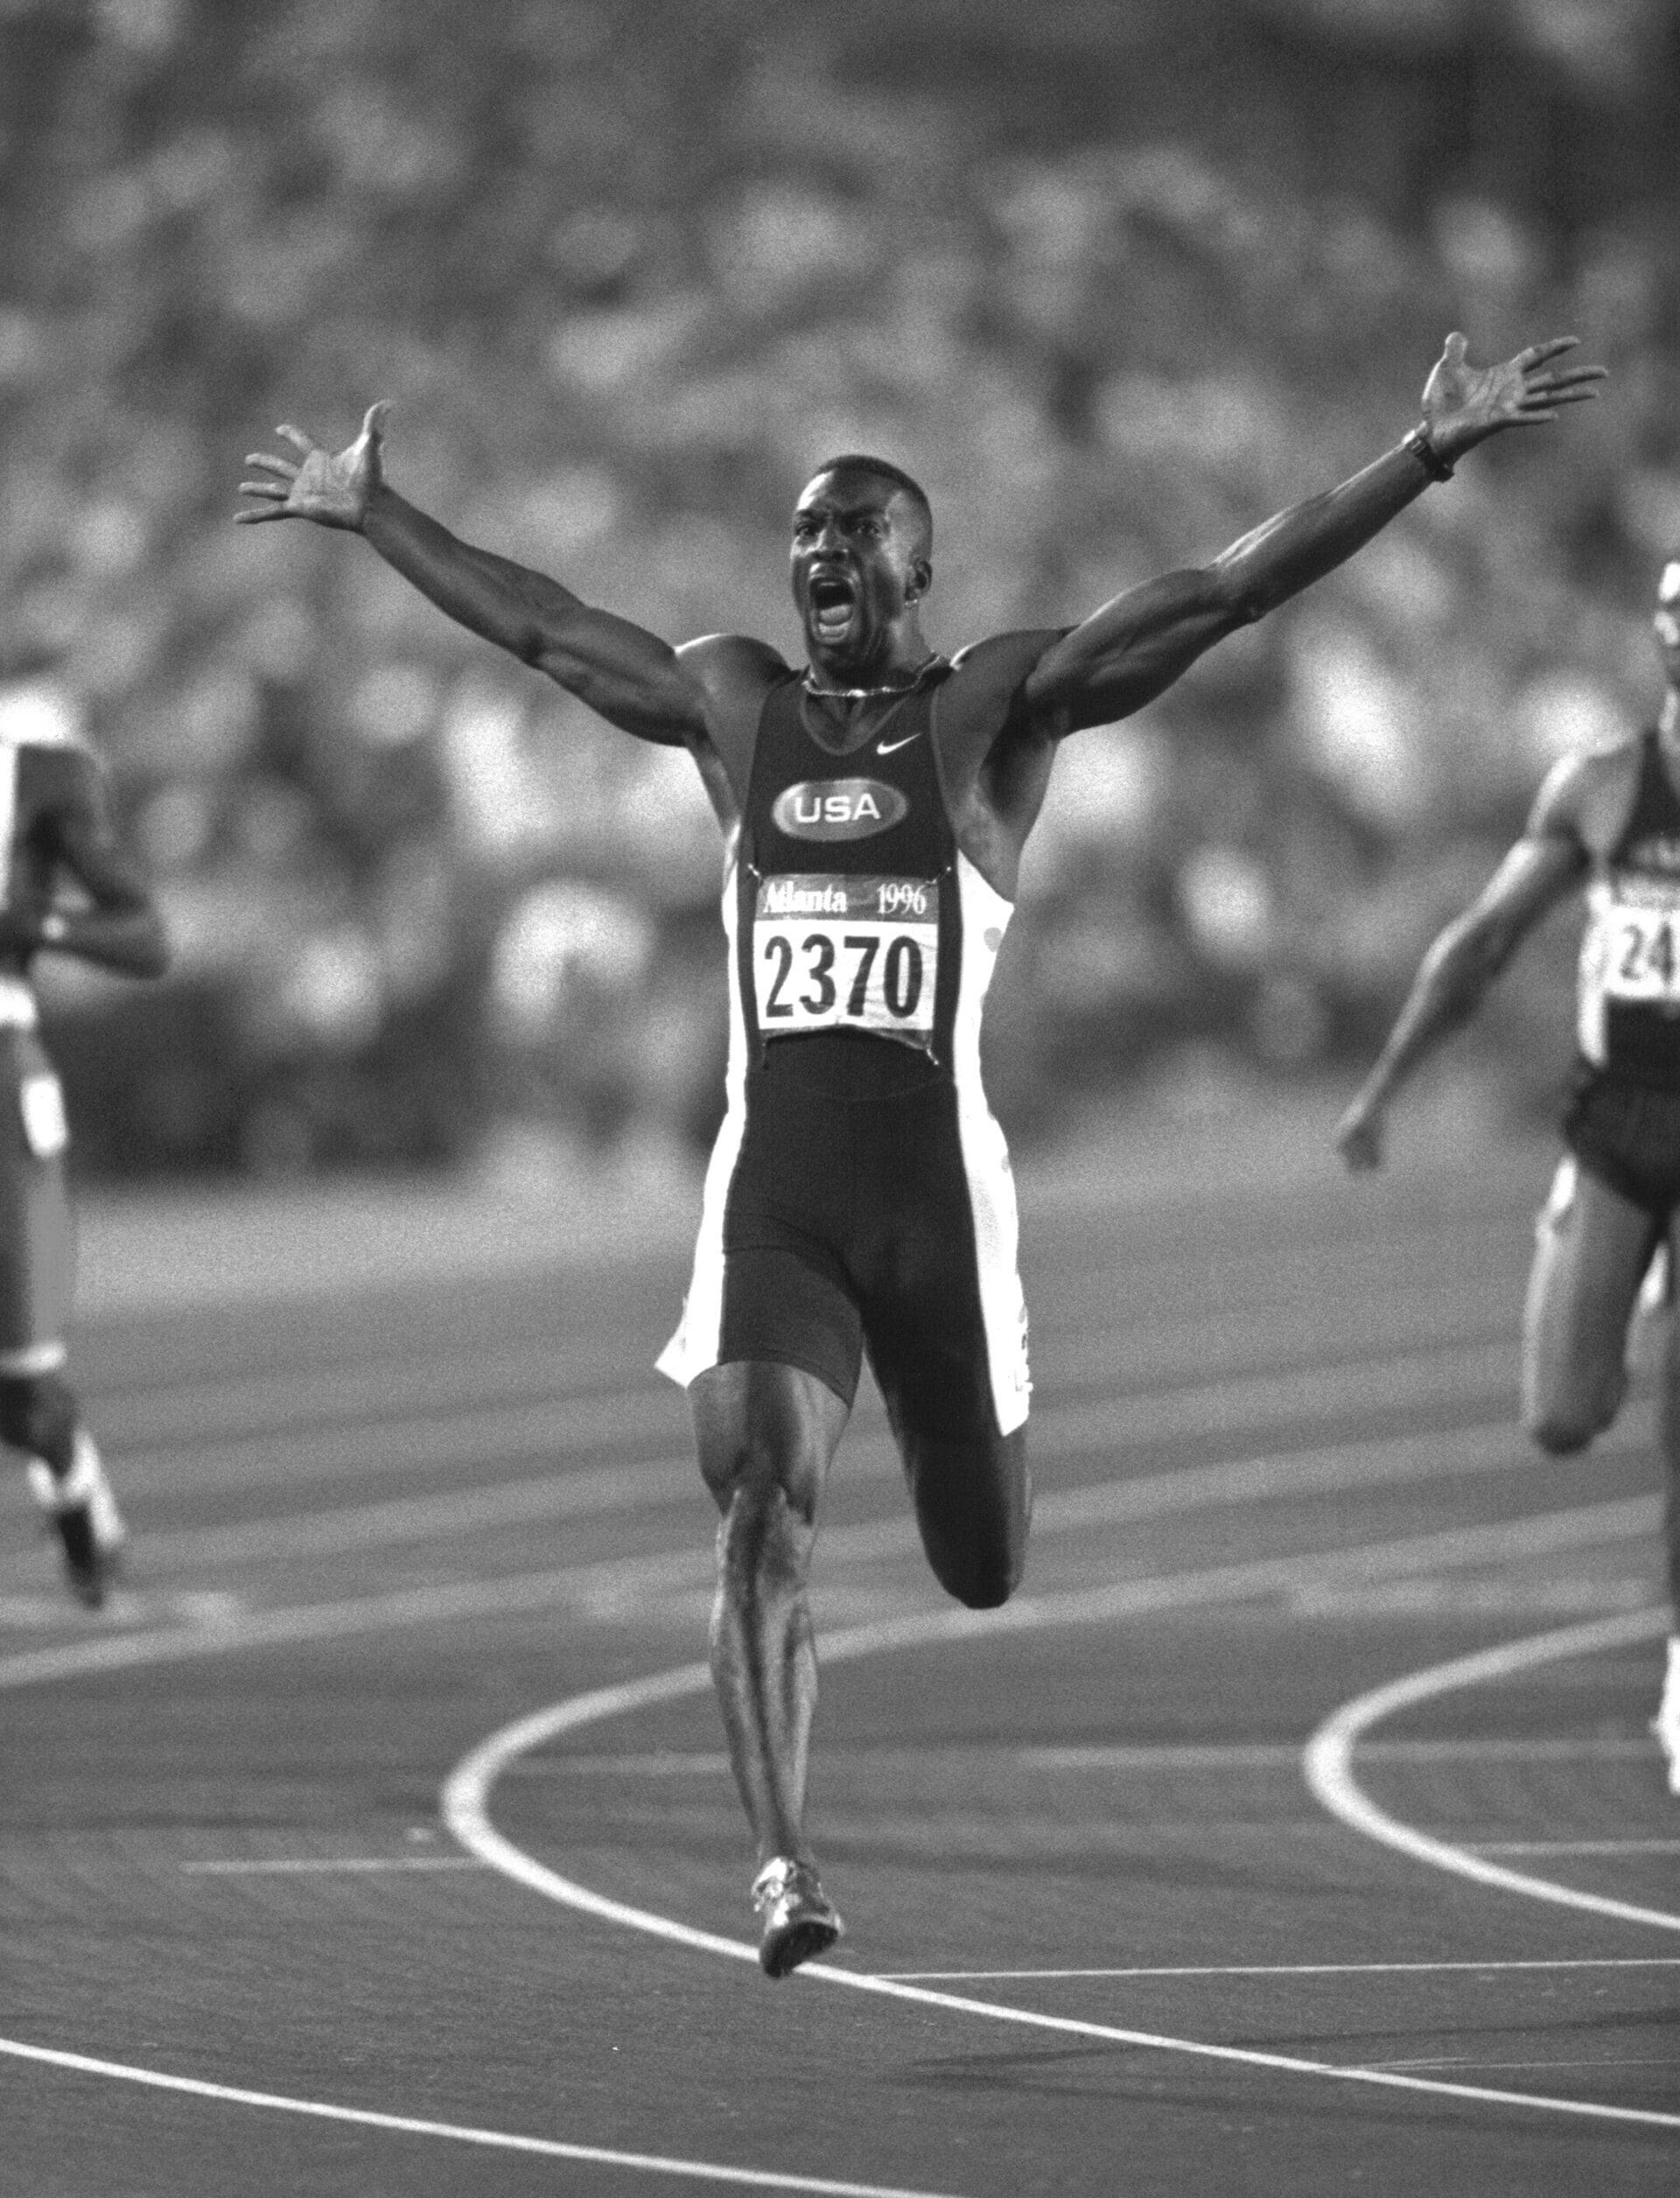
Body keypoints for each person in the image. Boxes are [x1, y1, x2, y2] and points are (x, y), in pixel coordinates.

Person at [238, 330, 1604, 1970]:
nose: (817, 551)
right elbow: (543, 629)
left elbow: (1221, 593)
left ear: (917, 564)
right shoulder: (733, 706)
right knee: (758, 1506)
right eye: (803, 531)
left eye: (852, 530)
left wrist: (1423, 451)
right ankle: (783, 1866)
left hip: (940, 1210)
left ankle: (955, 1524)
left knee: (981, 1566)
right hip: (781, 1195)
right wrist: (378, 515)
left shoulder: (994, 717)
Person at [1335, 556, 1680, 1800]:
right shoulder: (1603, 787)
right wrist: (1386, 1086)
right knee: (1563, 1417)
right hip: (1619, 1122)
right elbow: (1484, 943)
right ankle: (1621, 1293)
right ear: (1661, 637)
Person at [0, 694, 169, 1608]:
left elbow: (147, 936)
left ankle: (78, 1501)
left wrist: (41, 926)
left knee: (26, 1396)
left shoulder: (34, 776)